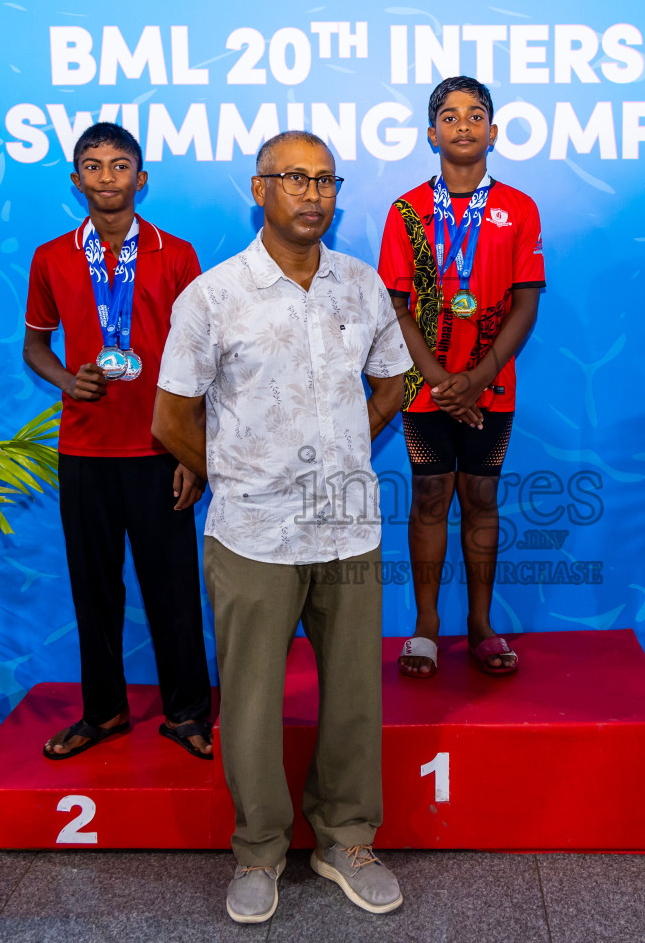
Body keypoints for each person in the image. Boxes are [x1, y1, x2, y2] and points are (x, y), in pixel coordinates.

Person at [152, 131, 412, 924]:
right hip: (253, 534)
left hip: (348, 528)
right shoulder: (214, 295)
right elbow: (169, 418)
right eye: (293, 178)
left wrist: (346, 443)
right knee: (256, 700)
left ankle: (345, 840)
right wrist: (238, 471)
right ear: (258, 190)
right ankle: (260, 852)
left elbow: (395, 378)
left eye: (325, 180)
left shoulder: (360, 287)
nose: (312, 193)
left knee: (354, 698)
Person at [22, 122, 214, 761]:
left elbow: (203, 357)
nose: (108, 177)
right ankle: (102, 712)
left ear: (142, 178)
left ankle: (188, 713)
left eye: (120, 164)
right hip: (84, 452)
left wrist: (195, 450)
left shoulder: (177, 254)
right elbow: (35, 348)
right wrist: (66, 382)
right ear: (76, 181)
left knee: (174, 593)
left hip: (160, 450)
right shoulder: (50, 257)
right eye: (94, 166)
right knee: (93, 591)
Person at [377, 75, 545, 679]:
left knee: (479, 498)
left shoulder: (519, 208)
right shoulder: (406, 212)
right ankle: (425, 627)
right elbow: (395, 307)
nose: (464, 124)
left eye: (476, 115)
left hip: (491, 386)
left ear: (494, 132)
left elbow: (526, 304)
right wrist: (443, 381)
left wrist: (478, 377)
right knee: (427, 498)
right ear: (431, 134)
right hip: (426, 386)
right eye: (450, 116)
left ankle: (480, 624)